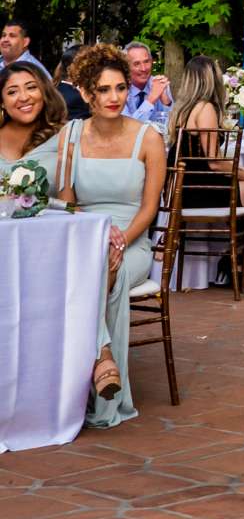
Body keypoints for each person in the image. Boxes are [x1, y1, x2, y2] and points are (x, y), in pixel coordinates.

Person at [49, 44, 166, 423]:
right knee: (94, 271)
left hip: (132, 241)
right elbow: (66, 202)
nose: (114, 97)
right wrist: (96, 234)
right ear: (85, 92)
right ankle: (104, 360)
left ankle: (92, 382)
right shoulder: (70, 135)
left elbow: (149, 210)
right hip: (85, 237)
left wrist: (119, 239)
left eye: (119, 88)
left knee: (106, 271)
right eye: (103, 90)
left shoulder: (149, 138)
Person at [166, 54, 244, 282]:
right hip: (199, 190)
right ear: (211, 79)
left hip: (182, 189)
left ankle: (237, 257)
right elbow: (214, 162)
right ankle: (240, 258)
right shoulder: (206, 109)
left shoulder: (181, 109)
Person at [0, 60, 69, 183]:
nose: (24, 97)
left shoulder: (66, 136)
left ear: (44, 92)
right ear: (2, 102)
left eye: (31, 87)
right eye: (12, 92)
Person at [123, 42, 173, 128]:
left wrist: (166, 103)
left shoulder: (159, 84)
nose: (143, 68)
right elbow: (128, 129)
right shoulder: (120, 89)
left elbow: (173, 126)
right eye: (136, 64)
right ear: (125, 67)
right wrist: (151, 100)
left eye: (146, 62)